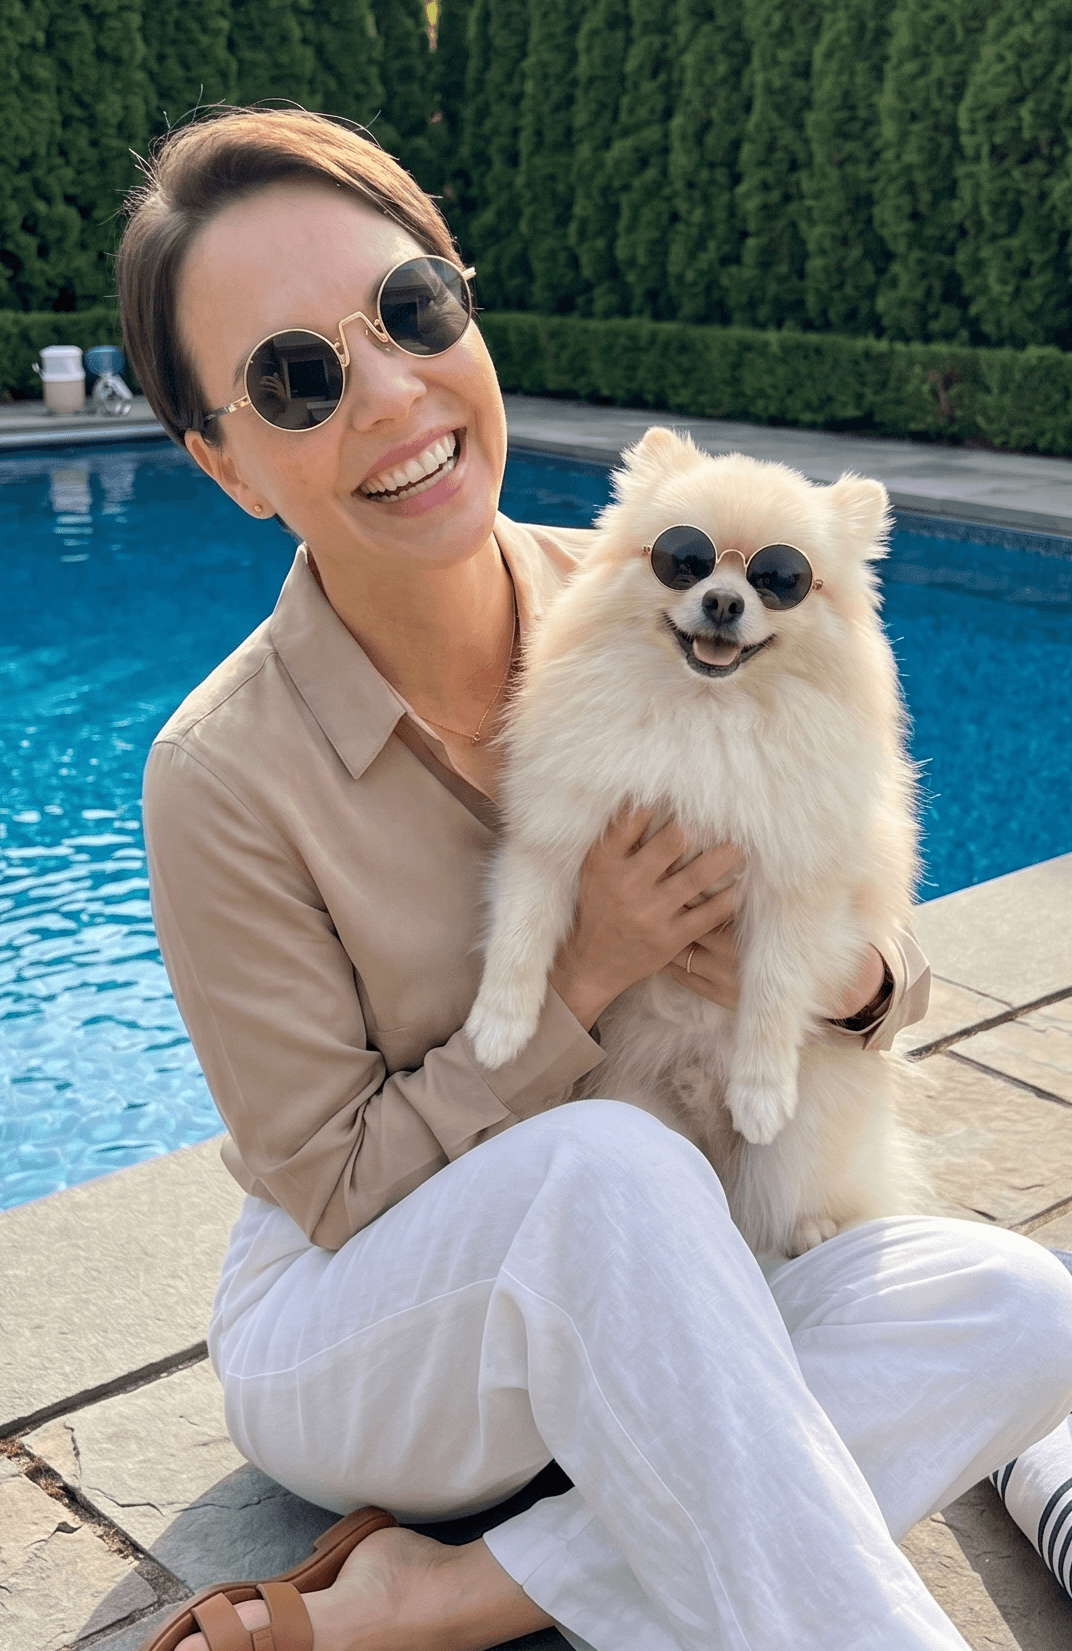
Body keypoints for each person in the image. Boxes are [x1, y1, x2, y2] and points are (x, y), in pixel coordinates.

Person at [117, 107, 1072, 1651]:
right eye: (299, 379)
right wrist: (584, 974)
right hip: (369, 1321)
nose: (391, 391)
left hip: (658, 1269)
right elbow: (343, 1189)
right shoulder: (221, 775)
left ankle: (450, 1597)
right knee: (611, 1166)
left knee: (1021, 1308)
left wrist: (835, 974)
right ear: (225, 464)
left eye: (411, 310)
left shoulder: (649, 581)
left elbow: (871, 930)